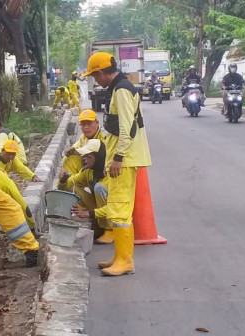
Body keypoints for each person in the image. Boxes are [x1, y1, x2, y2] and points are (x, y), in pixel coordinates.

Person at [81, 52, 152, 277]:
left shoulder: (121, 90)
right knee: (118, 208)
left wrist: (118, 158)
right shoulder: (120, 87)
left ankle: (125, 261)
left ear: (101, 73)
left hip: (125, 159)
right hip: (124, 158)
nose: (95, 80)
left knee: (120, 211)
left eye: (95, 76)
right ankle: (120, 257)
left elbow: (127, 127)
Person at [58, 139, 113, 244]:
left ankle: (109, 229)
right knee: (72, 189)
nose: (85, 160)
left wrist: (89, 213)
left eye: (89, 157)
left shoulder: (110, 173)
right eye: (85, 157)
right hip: (101, 210)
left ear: (99, 158)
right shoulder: (88, 172)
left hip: (114, 213)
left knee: (99, 188)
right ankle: (97, 225)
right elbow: (65, 187)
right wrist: (63, 180)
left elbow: (115, 207)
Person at [63, 109, 105, 175]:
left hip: (102, 170)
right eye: (83, 124)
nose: (86, 127)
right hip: (86, 168)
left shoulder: (104, 138)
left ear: (97, 123)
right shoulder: (83, 137)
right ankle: (70, 181)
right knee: (69, 157)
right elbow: (76, 147)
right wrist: (70, 150)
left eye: (89, 124)